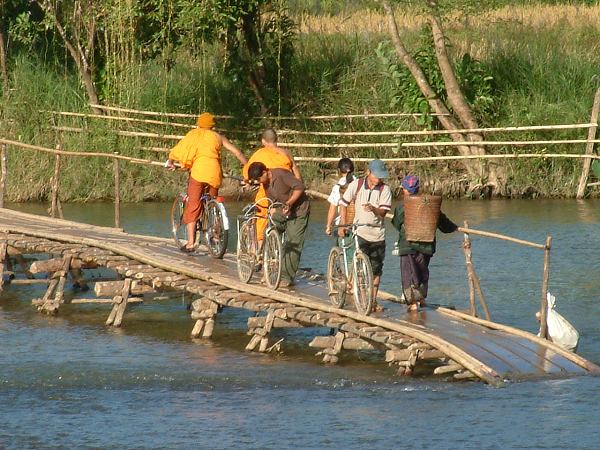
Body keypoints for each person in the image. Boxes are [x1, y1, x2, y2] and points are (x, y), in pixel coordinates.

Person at [166, 112, 247, 252]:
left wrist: (171, 161)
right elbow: (237, 153)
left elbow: (178, 150)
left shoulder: (193, 134)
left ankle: (191, 243)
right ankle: (216, 235)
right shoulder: (218, 137)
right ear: (212, 125)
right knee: (213, 200)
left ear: (199, 123)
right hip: (214, 174)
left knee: (193, 204)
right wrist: (247, 169)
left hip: (198, 173)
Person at [391, 175, 458, 312]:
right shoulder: (429, 205)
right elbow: (443, 222)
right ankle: (421, 298)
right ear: (418, 189)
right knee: (422, 272)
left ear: (405, 190)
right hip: (426, 245)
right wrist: (454, 228)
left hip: (408, 245)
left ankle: (413, 304)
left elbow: (397, 223)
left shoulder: (403, 207)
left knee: (408, 274)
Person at [338, 159, 393, 312]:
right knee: (361, 267)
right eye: (377, 176)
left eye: (381, 177)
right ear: (369, 172)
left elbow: (383, 212)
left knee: (376, 269)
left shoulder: (385, 190)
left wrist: (374, 209)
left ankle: (373, 301)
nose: (379, 179)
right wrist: (343, 224)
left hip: (377, 234)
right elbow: (343, 203)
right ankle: (361, 298)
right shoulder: (356, 185)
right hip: (360, 232)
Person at [247, 162, 310, 288]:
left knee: (293, 242)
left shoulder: (281, 174)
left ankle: (286, 277)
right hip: (282, 210)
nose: (259, 182)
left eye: (259, 178)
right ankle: (268, 268)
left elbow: (299, 187)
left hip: (298, 211)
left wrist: (290, 203)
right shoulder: (264, 182)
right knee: (268, 231)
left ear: (266, 172)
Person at [242, 128, 301, 243]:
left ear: (263, 141)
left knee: (262, 214)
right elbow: (296, 175)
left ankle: (259, 247)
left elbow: (247, 174)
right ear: (276, 140)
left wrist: (247, 182)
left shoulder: (259, 154)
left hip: (268, 192)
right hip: (287, 192)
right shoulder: (286, 153)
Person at [325, 158, 356, 236]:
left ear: (339, 170)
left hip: (344, 226)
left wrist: (328, 226)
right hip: (360, 224)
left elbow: (332, 208)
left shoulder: (337, 187)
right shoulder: (360, 184)